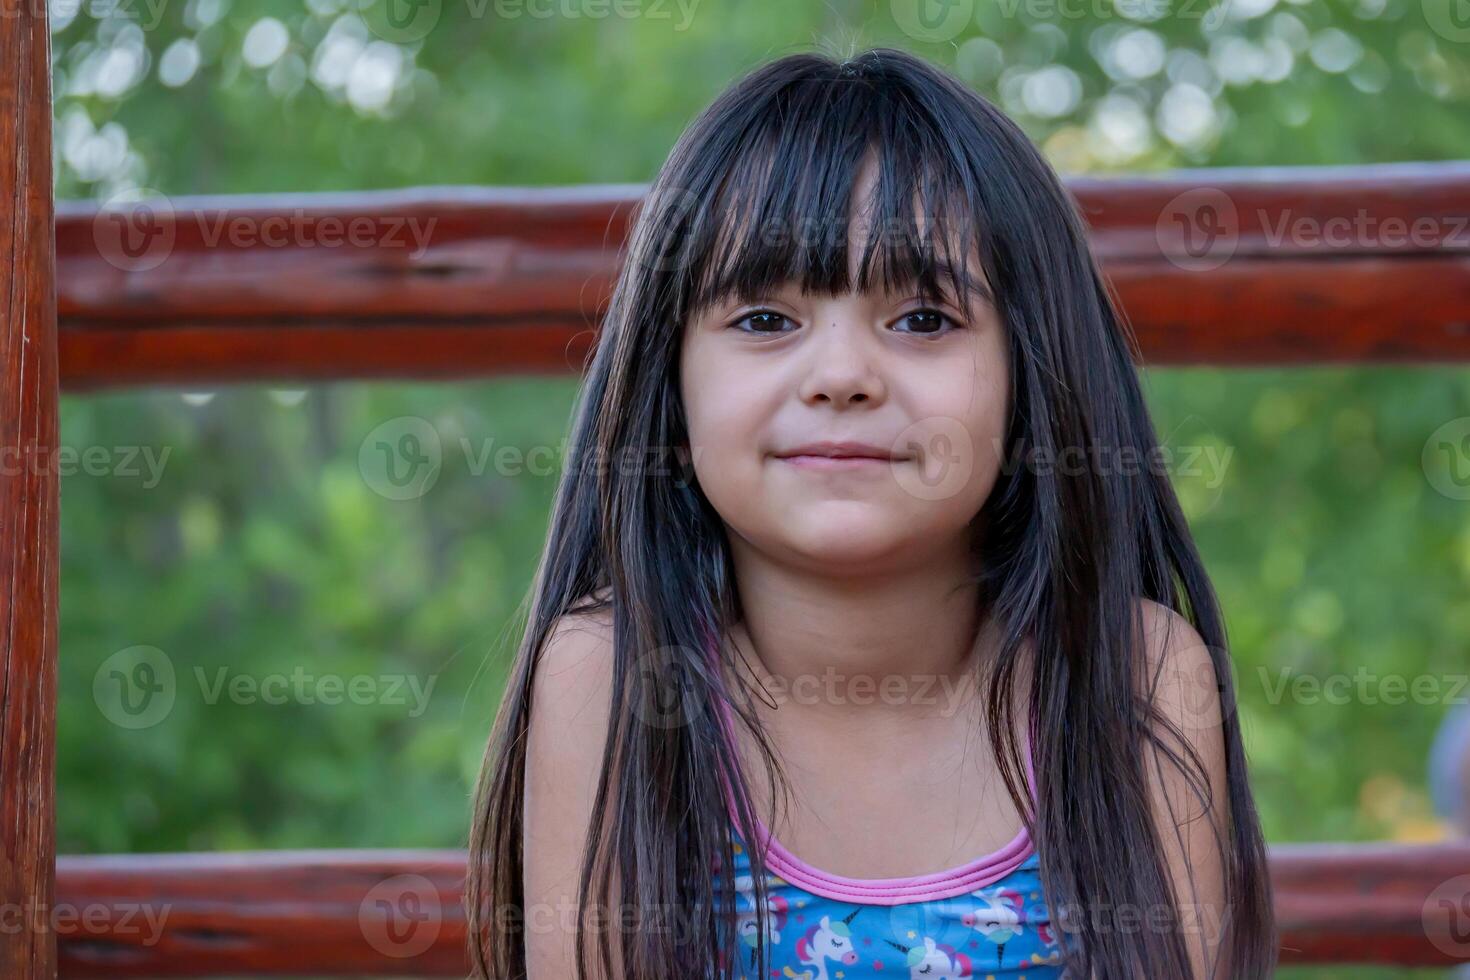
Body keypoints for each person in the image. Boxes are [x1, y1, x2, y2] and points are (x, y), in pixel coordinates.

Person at [466, 47, 1277, 979]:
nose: (843, 377)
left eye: (924, 319)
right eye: (765, 320)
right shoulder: (609, 683)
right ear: (668, 385)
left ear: (1032, 377)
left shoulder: (1131, 674)